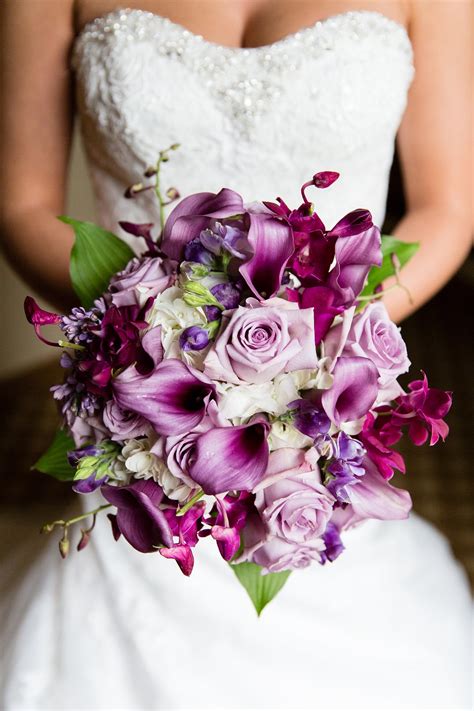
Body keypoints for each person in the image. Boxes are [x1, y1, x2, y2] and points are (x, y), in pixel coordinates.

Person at [0, 1, 472, 708]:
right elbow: (22, 207)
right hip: (150, 386)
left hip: (321, 397)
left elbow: (448, 208)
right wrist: (151, 322)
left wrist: (323, 342)